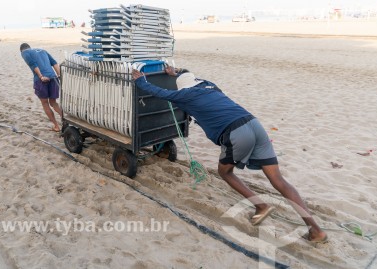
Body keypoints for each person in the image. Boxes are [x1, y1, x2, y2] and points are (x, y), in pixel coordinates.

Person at [131, 66, 328, 243]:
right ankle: (316, 230)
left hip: (236, 133)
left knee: (225, 172)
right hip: (254, 124)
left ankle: (260, 206)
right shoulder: (209, 85)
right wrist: (176, 72)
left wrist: (140, 80)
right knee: (279, 180)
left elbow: (157, 92)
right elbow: (186, 72)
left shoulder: (184, 95)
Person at [20, 43, 63, 131]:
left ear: (21, 50)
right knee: (53, 103)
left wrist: (41, 76)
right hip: (53, 78)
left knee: (45, 103)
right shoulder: (43, 50)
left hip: (41, 80)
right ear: (30, 47)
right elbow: (54, 63)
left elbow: (33, 64)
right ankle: (66, 120)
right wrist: (59, 75)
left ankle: (56, 126)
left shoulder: (24, 52)